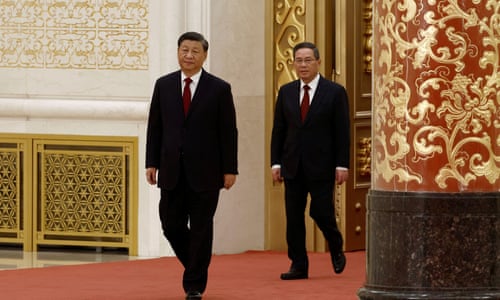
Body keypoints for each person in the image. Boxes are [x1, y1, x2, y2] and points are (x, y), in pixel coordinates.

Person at [145, 31, 238, 300]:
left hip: (207, 172)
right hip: (171, 169)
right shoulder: (163, 85)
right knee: (170, 224)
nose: (189, 55)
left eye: (195, 51)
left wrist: (230, 169)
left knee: (201, 227)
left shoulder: (219, 88)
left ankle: (194, 285)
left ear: (205, 55)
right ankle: (196, 266)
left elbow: (228, 132)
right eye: (184, 50)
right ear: (177, 52)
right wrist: (151, 162)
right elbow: (156, 127)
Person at [270, 42, 350, 280]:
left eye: (307, 60)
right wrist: (276, 163)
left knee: (321, 211)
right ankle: (298, 264)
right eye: (298, 60)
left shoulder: (335, 92)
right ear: (293, 63)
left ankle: (335, 242)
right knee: (293, 216)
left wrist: (342, 165)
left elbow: (342, 132)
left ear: (318, 62)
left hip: (322, 165)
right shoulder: (286, 91)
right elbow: (279, 130)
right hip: (292, 164)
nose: (303, 65)